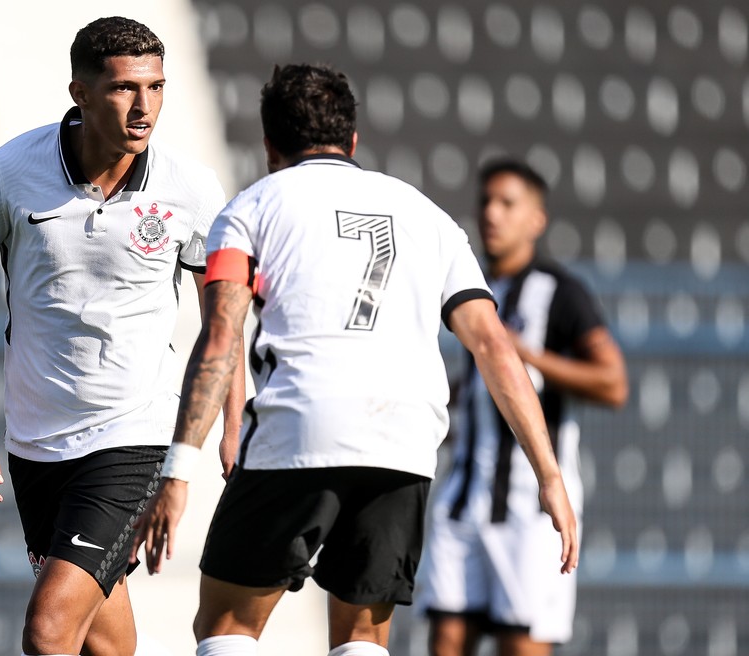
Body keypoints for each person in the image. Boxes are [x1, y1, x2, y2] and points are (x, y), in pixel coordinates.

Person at [129, 64, 579, 656]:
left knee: (226, 626)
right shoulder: (430, 217)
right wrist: (550, 476)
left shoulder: (248, 210)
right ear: (353, 142)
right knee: (363, 637)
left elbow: (220, 337)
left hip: (299, 426)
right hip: (403, 441)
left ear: (270, 146)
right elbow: (495, 346)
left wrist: (178, 470)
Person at [0, 17, 243, 656]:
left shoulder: (188, 187)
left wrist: (233, 422)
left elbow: (226, 315)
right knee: (104, 642)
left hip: (134, 436)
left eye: (156, 87)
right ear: (80, 92)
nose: (145, 107)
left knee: (48, 630)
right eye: (126, 89)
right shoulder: (9, 171)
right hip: (38, 442)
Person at [416, 159, 629, 656]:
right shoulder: (474, 290)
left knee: (521, 645)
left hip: (528, 512)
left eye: (507, 203)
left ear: (537, 219)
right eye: (486, 201)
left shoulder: (560, 292)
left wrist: (522, 354)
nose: (492, 214)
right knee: (446, 638)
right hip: (463, 499)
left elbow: (613, 382)